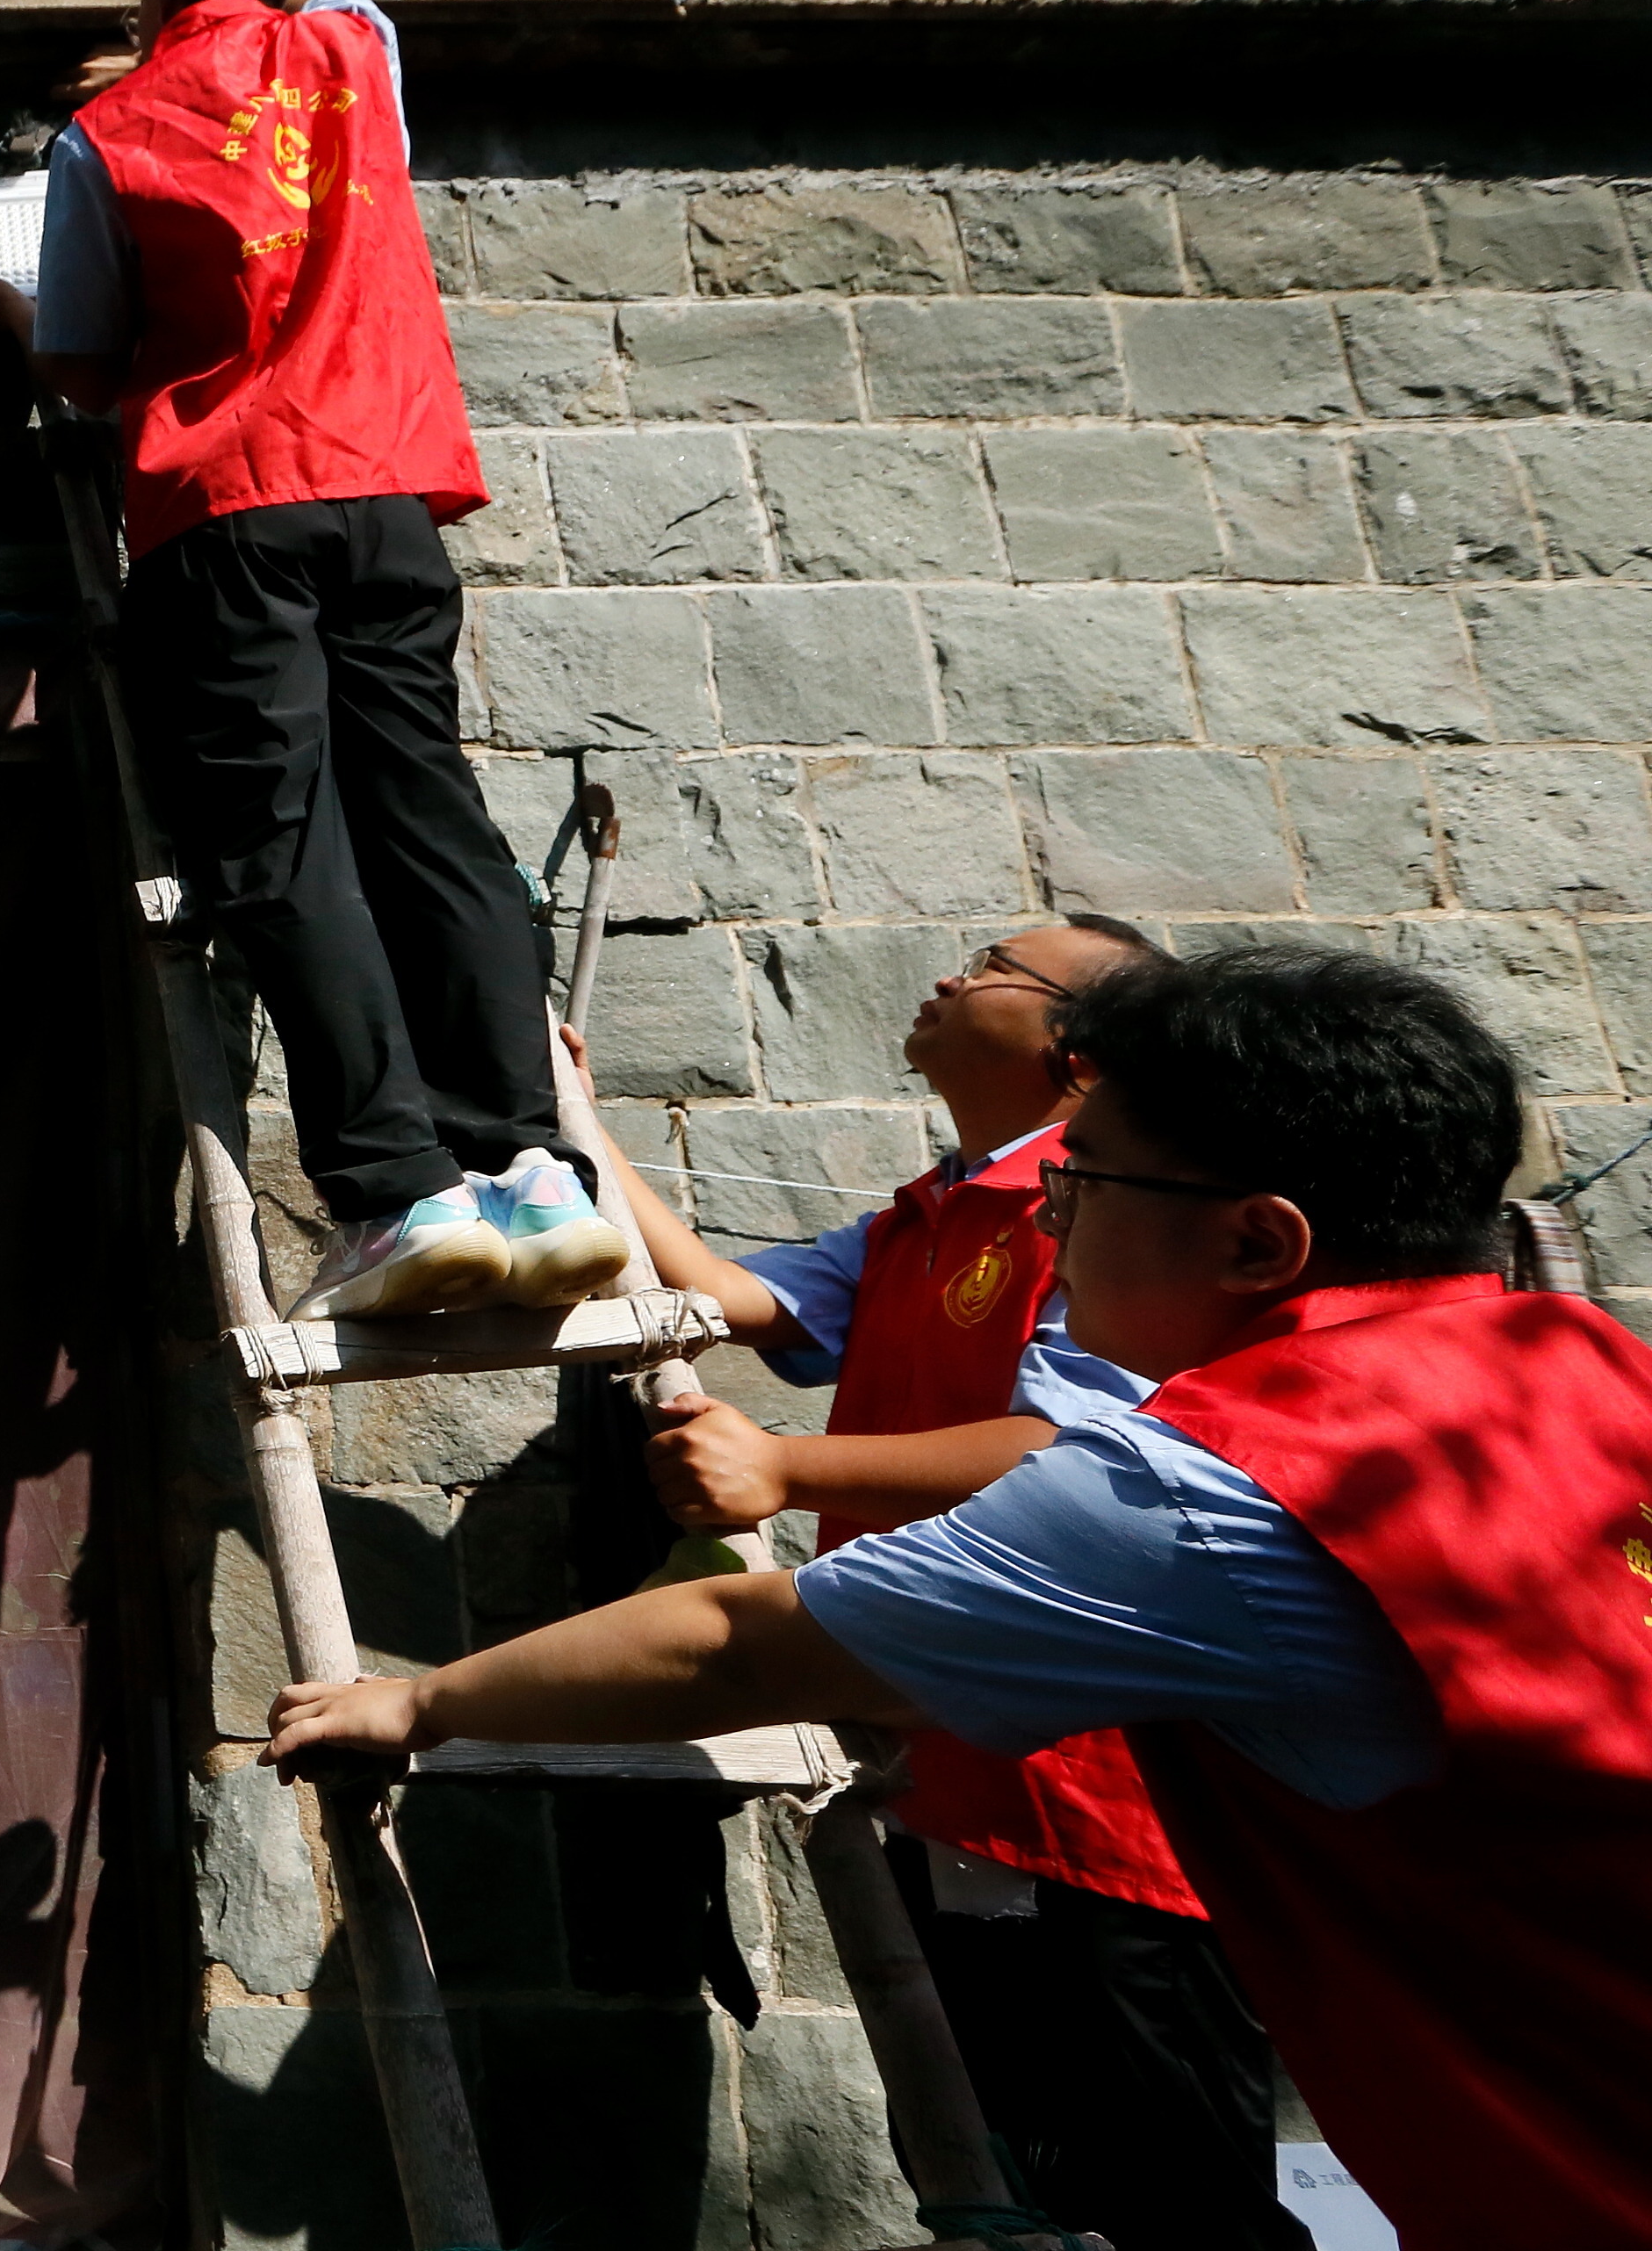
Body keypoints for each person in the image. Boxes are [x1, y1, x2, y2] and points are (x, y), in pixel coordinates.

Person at [266, 947, 1652, 2251]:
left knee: (1173, 2181)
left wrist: (418, 1700)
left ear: (1256, 1244)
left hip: (1533, 2123)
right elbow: (748, 1306)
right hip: (1023, 1795)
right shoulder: (1588, 1364)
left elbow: (737, 1645)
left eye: (1085, 1190)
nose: (1057, 1216)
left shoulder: (1223, 1484)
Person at [0, 0, 618, 1317]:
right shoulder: (356, 42)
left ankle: (397, 1193)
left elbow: (88, 369)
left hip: (228, 511)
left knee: (283, 849)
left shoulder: (105, 137)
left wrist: (8, 309)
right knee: (432, 820)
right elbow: (288, 79)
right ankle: (530, 1168)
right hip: (389, 491)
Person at [592, 913, 1311, 2251]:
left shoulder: (1104, 1213)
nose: (947, 978)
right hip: (948, 1766)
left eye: (993, 969)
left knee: (1172, 2187)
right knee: (1034, 2176)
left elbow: (1085, 1447)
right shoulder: (931, 1213)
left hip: (1086, 1780)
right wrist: (580, 1120)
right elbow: (737, 1301)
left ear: (1080, 1055)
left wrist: (786, 1468)